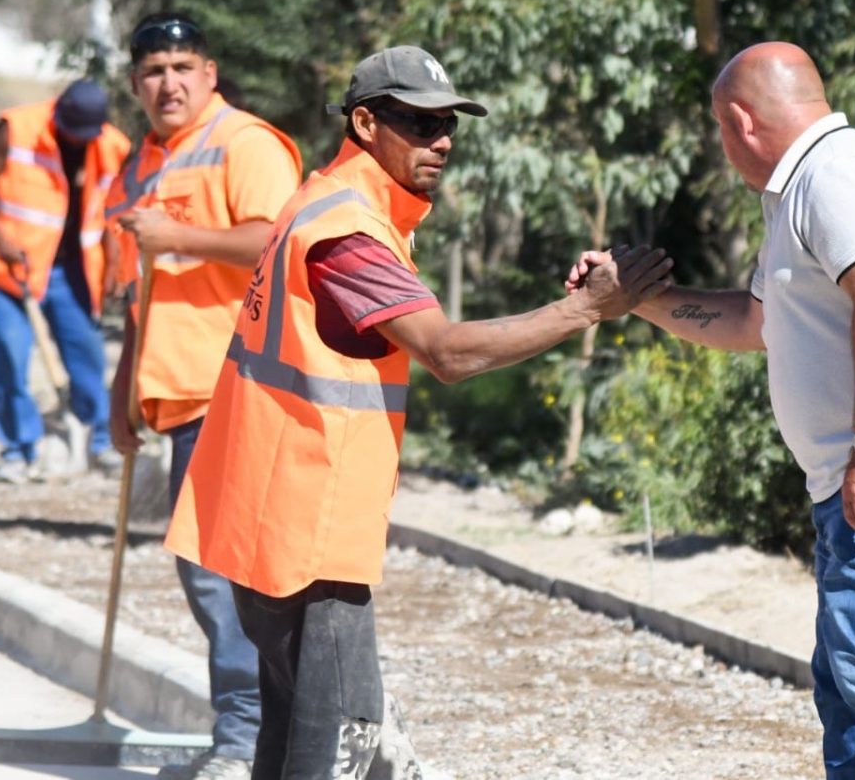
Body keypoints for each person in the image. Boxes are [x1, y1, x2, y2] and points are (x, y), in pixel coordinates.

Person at [164, 44, 671, 779]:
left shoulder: (326, 199)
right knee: (339, 741)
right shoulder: (347, 231)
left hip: (262, 514)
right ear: (365, 122)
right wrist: (586, 308)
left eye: (450, 127)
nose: (440, 142)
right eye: (420, 123)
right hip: (310, 527)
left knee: (287, 738)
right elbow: (449, 353)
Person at [571, 42, 855, 779]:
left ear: (739, 120)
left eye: (718, 127)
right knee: (846, 682)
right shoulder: (799, 191)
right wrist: (633, 297)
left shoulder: (836, 173)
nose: (721, 143)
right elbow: (753, 323)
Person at [105, 12, 303, 780]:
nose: (169, 83)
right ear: (134, 84)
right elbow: (139, 290)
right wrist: (127, 387)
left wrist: (177, 237)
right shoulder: (142, 164)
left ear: (211, 75)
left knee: (223, 575)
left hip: (237, 384)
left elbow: (280, 237)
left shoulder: (245, 144)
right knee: (210, 574)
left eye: (183, 67)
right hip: (175, 390)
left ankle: (245, 741)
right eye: (154, 71)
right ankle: (258, 737)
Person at [0, 78, 130, 483]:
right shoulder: (18, 128)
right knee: (10, 355)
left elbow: (112, 213)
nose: (78, 141)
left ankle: (99, 443)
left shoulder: (113, 145)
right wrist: (2, 239)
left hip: (72, 269)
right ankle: (18, 449)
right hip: (11, 269)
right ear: (58, 115)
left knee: (87, 355)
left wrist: (114, 266)